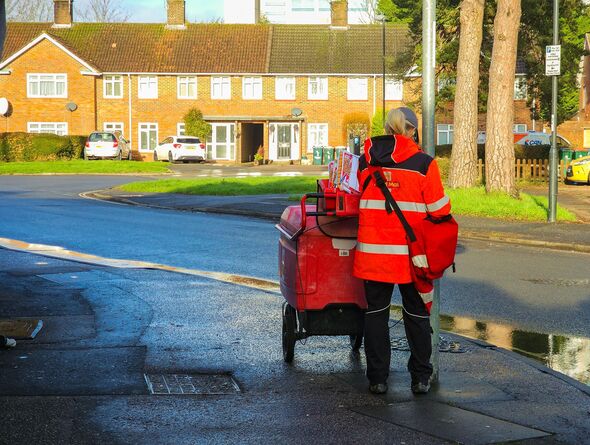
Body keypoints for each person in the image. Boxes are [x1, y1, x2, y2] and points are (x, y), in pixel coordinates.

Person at [353, 107, 451, 395]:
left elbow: (360, 194)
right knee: (417, 316)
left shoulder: (365, 161)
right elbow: (439, 209)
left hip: (373, 254)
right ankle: (420, 377)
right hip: (412, 255)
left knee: (376, 315)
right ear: (412, 131)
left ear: (387, 128)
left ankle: (378, 379)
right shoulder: (424, 164)